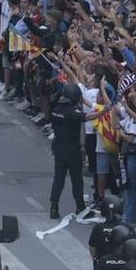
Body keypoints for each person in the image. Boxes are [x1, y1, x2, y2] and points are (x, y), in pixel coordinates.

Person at [47, 82, 91, 221]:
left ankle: (54, 207)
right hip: (72, 150)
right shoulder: (72, 111)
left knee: (58, 179)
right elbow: (87, 117)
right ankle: (80, 206)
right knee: (76, 180)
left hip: (58, 147)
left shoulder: (56, 109)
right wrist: (104, 111)